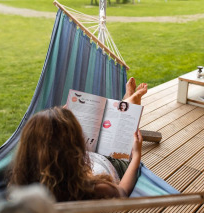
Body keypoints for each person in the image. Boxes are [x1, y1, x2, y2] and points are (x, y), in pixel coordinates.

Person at [8, 78, 147, 202]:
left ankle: (127, 102)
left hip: (89, 159)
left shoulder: (23, 183)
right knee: (120, 138)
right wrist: (136, 156)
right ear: (74, 149)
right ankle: (128, 105)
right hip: (109, 163)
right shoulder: (93, 188)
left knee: (103, 132)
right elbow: (122, 193)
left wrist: (60, 117)